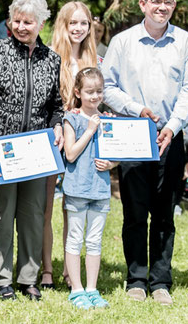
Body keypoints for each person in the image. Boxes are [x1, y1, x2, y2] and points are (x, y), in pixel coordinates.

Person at [0, 0, 64, 301]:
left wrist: (58, 126)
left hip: (36, 153)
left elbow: (56, 105)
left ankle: (28, 278)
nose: (22, 27)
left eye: (29, 22)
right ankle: (2, 280)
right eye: (17, 20)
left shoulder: (52, 59)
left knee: (33, 216)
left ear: (41, 23)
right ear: (11, 20)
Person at [101, 0, 188, 305]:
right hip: (133, 139)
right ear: (142, 4)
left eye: (167, 3)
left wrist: (173, 125)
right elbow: (107, 86)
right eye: (156, 2)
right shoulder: (122, 42)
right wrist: (137, 109)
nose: (162, 8)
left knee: (166, 214)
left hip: (172, 138)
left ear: (173, 6)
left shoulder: (186, 42)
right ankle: (136, 278)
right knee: (135, 212)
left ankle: (160, 281)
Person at [43, 0, 98, 291]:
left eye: (84, 23)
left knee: (72, 207)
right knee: (47, 208)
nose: (78, 28)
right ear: (63, 26)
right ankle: (48, 270)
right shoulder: (51, 57)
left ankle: (69, 268)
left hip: (83, 143)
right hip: (56, 137)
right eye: (73, 23)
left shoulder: (94, 59)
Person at [63, 67, 118, 309]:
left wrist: (112, 163)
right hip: (76, 189)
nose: (95, 96)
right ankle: (76, 290)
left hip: (99, 190)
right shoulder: (71, 118)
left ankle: (92, 289)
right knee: (75, 239)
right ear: (78, 92)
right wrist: (89, 130)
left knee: (95, 240)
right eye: (89, 92)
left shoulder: (108, 119)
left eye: (99, 91)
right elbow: (71, 154)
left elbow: (117, 155)